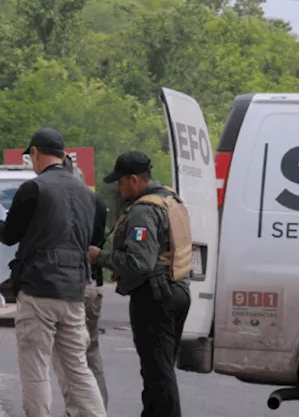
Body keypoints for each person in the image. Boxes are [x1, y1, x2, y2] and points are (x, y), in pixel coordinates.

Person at [0, 129, 106, 417]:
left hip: (39, 290)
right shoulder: (88, 196)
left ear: (35, 152)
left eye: (31, 156)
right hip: (75, 291)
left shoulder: (34, 189)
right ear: (63, 155)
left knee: (35, 367)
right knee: (77, 369)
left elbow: (11, 236)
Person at [89, 151, 194, 417]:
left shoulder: (144, 212)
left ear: (134, 180)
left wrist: (99, 257)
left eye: (121, 182)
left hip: (154, 296)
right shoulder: (171, 200)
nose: (118, 187)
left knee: (157, 372)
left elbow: (139, 263)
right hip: (178, 289)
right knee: (161, 368)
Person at [55, 156, 108, 415]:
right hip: (93, 283)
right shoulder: (96, 201)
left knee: (69, 357)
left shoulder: (58, 200)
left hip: (68, 285)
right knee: (92, 353)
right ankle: (100, 409)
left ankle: (77, 411)